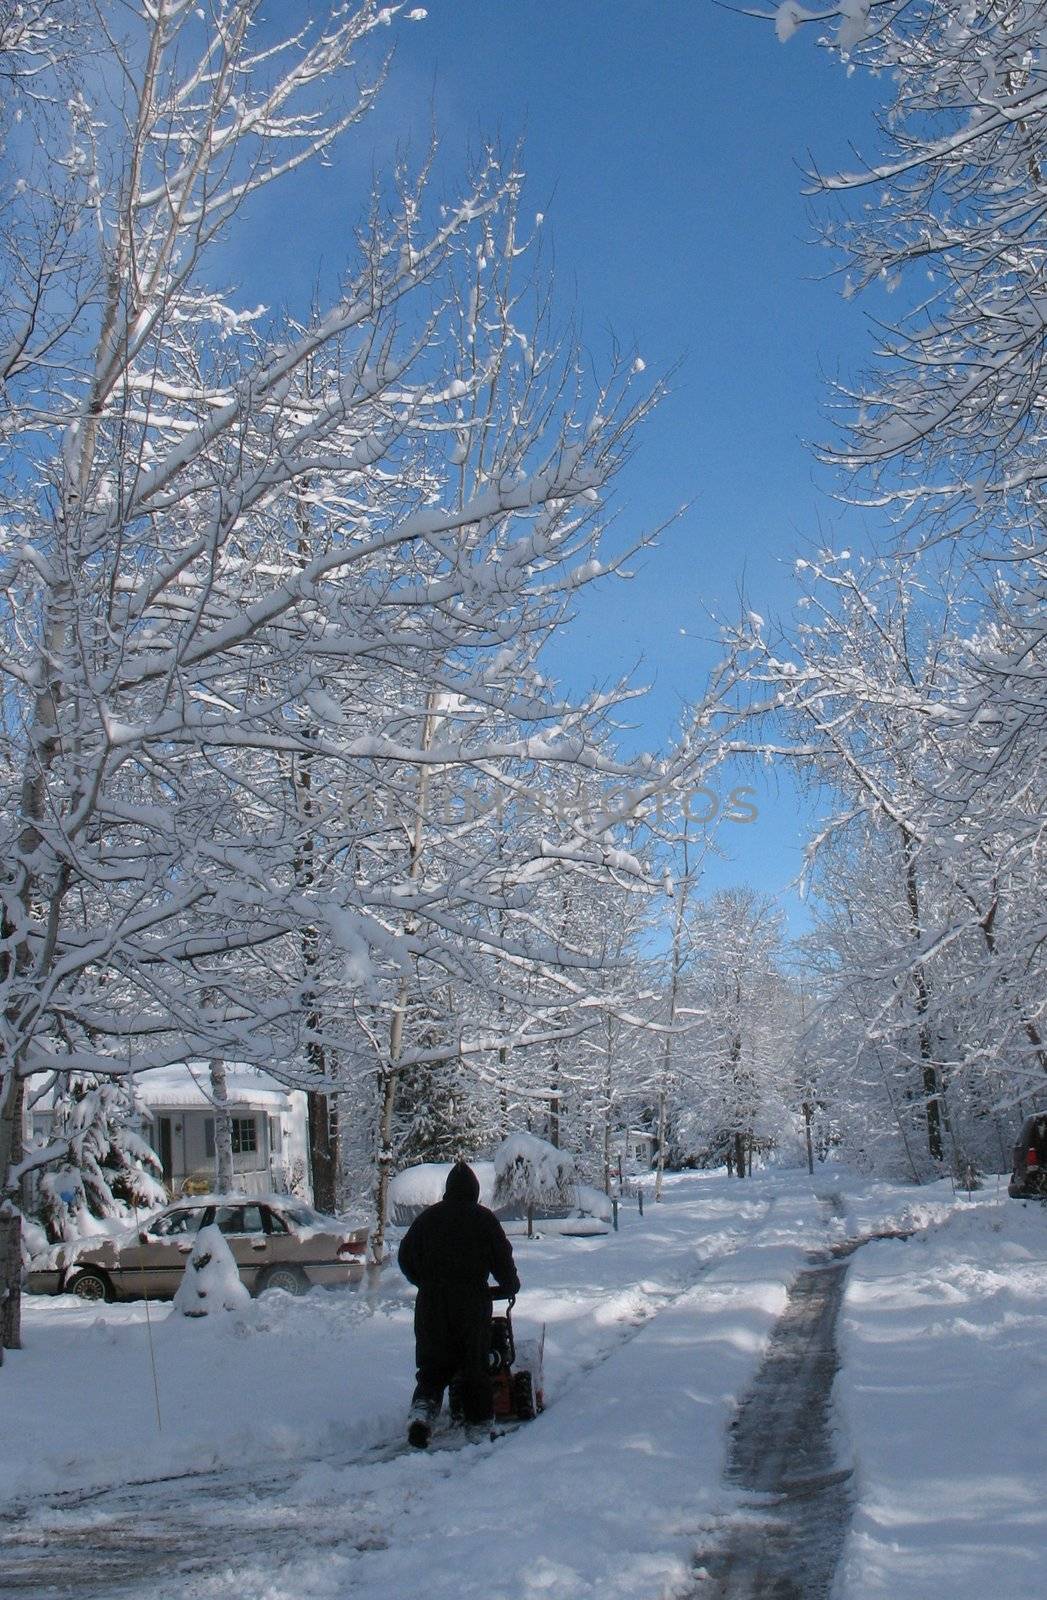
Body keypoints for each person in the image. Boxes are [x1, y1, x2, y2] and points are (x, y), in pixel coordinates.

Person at [397, 1159, 520, 1449]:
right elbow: (502, 1258)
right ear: (475, 1192)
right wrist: (509, 1285)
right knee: (474, 1365)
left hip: (431, 1304)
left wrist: (424, 1282)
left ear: (448, 1190)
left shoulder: (427, 1219)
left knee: (432, 1367)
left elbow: (405, 1257)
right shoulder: (483, 1219)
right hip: (471, 1302)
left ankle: (422, 1414)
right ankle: (478, 1427)